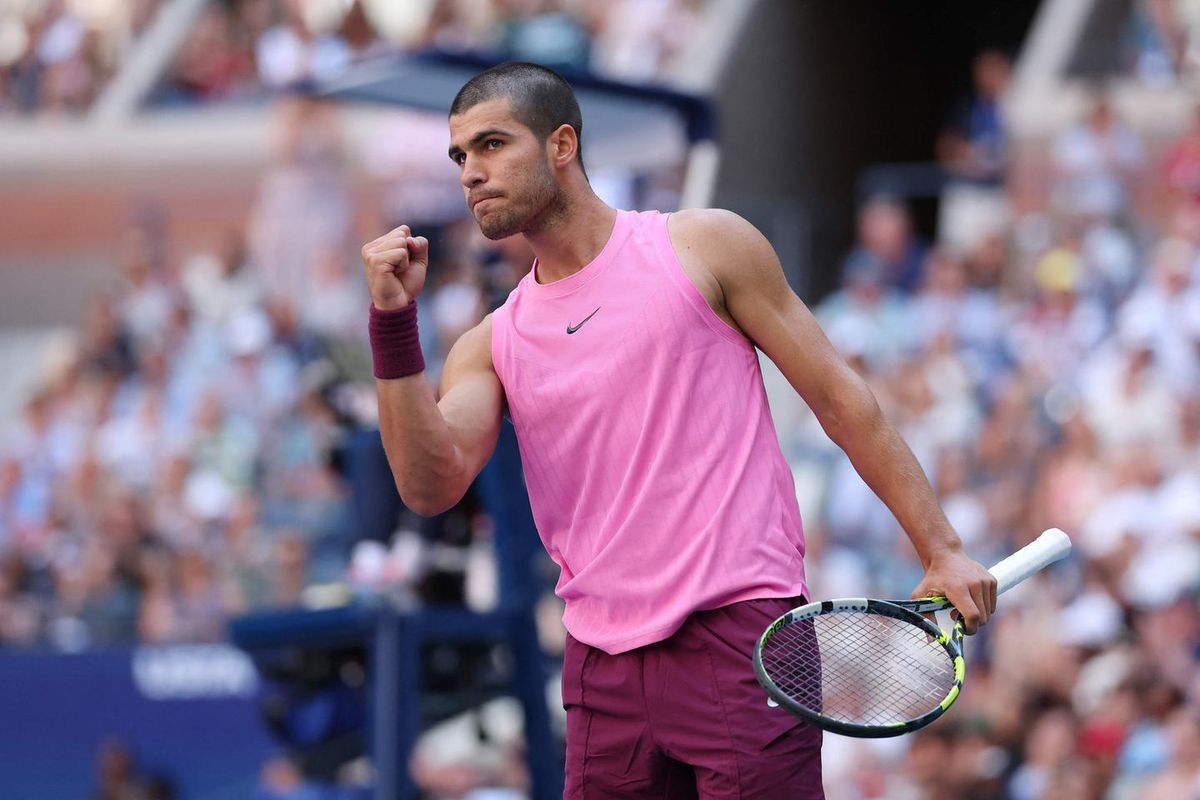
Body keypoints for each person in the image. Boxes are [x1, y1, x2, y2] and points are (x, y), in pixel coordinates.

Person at [360, 61, 997, 799]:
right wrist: (392, 324)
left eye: (493, 144)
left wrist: (941, 548)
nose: (471, 172)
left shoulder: (703, 246)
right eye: (460, 155)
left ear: (561, 145)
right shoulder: (490, 342)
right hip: (600, 667)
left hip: (744, 637)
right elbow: (429, 485)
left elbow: (840, 399)